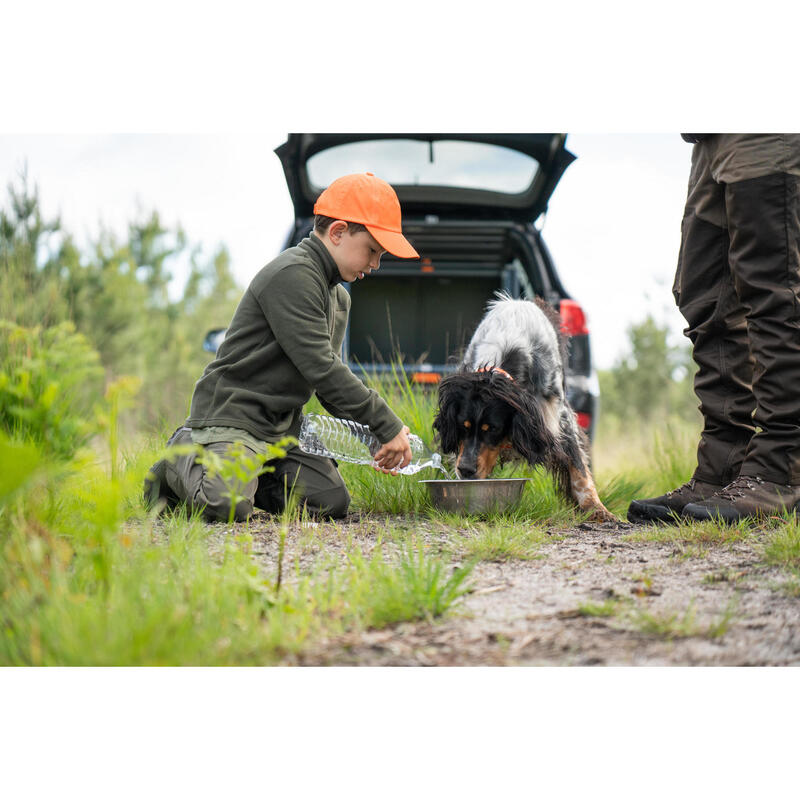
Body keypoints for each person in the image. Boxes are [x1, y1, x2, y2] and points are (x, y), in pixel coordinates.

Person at [144, 172, 419, 522]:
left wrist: (372, 436)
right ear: (337, 232)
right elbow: (322, 366)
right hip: (234, 419)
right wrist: (386, 422)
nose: (375, 264)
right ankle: (177, 463)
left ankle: (246, 477)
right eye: (372, 251)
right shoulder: (293, 274)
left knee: (330, 502)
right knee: (225, 505)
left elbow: (328, 387)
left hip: (279, 431)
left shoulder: (338, 298)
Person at [628, 134, 800, 524]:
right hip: (709, 138)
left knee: (772, 292)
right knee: (705, 297)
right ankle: (723, 468)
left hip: (764, 131)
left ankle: (782, 469)